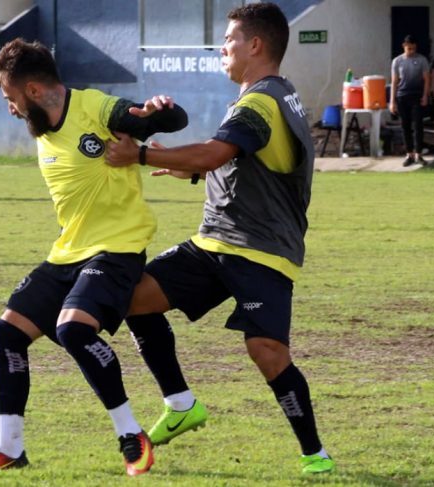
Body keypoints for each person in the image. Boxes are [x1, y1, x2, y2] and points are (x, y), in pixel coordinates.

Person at [105, 3, 335, 475]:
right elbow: (245, 162)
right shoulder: (277, 94)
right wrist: (187, 166)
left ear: (255, 45)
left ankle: (315, 454)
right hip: (216, 243)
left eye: (228, 40)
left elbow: (215, 153)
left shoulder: (260, 102)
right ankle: (181, 403)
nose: (222, 49)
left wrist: (142, 155)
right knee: (129, 298)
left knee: (267, 352)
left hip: (262, 251)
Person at [0, 38, 188, 477]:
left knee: (73, 331)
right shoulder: (43, 123)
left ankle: (129, 434)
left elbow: (166, 120)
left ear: (36, 90)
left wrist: (162, 110)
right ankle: (8, 448)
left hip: (117, 248)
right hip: (68, 251)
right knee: (7, 333)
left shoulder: (97, 109)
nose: (12, 108)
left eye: (12, 97)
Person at [390, 35, 430, 167]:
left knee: (418, 125)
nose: (411, 51)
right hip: (402, 96)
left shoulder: (422, 60)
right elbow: (394, 82)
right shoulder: (397, 61)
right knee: (405, 125)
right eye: (408, 49)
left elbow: (426, 80)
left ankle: (418, 153)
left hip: (417, 95)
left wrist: (425, 96)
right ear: (404, 46)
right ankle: (409, 154)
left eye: (413, 49)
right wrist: (392, 101)